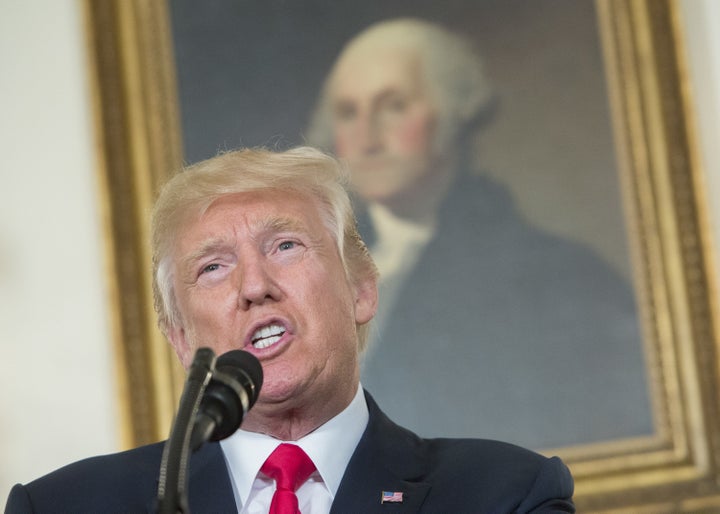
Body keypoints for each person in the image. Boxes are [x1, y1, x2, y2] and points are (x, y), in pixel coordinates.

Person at [5, 147, 575, 512]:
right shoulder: (62, 507)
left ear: (361, 288)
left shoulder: (506, 494)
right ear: (180, 336)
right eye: (213, 266)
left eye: (285, 246)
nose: (255, 285)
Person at [307, 18, 653, 448]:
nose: (367, 137)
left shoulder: (561, 278)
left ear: (454, 113)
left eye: (393, 106)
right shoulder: (313, 279)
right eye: (348, 113)